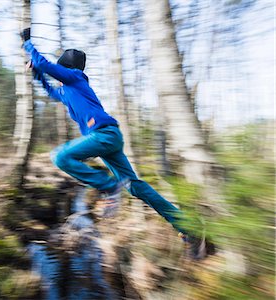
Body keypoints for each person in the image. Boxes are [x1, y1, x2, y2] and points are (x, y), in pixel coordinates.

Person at [20, 28, 214, 259]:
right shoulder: (68, 90)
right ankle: (188, 226)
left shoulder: (75, 77)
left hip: (104, 135)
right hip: (108, 138)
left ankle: (109, 187)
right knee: (135, 187)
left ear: (68, 68)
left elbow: (46, 65)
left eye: (61, 69)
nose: (58, 73)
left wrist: (28, 44)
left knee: (60, 157)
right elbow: (51, 92)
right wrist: (36, 74)